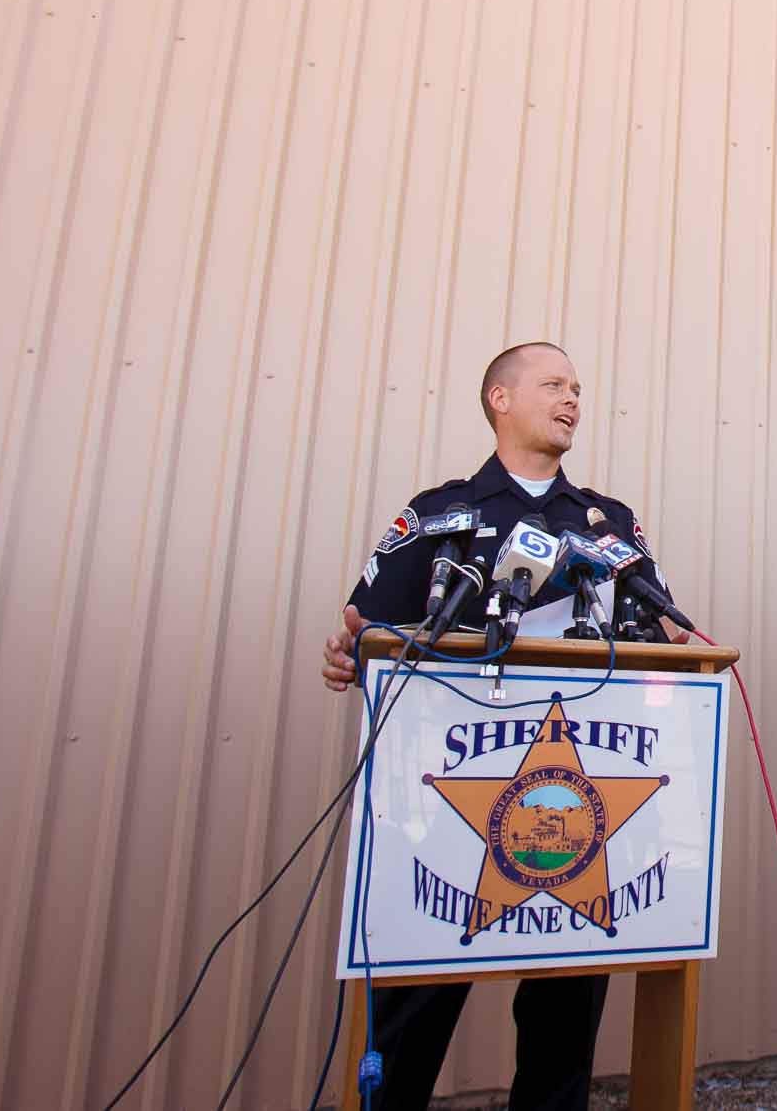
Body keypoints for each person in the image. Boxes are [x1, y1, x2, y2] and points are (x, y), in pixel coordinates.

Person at [318, 341, 677, 1111]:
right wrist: (350, 649)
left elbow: (662, 635)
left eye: (578, 387)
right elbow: (369, 629)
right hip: (449, 801)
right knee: (414, 1009)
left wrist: (673, 643)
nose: (572, 398)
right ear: (500, 400)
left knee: (564, 1016)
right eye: (553, 383)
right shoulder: (444, 513)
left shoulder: (607, 525)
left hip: (578, 804)